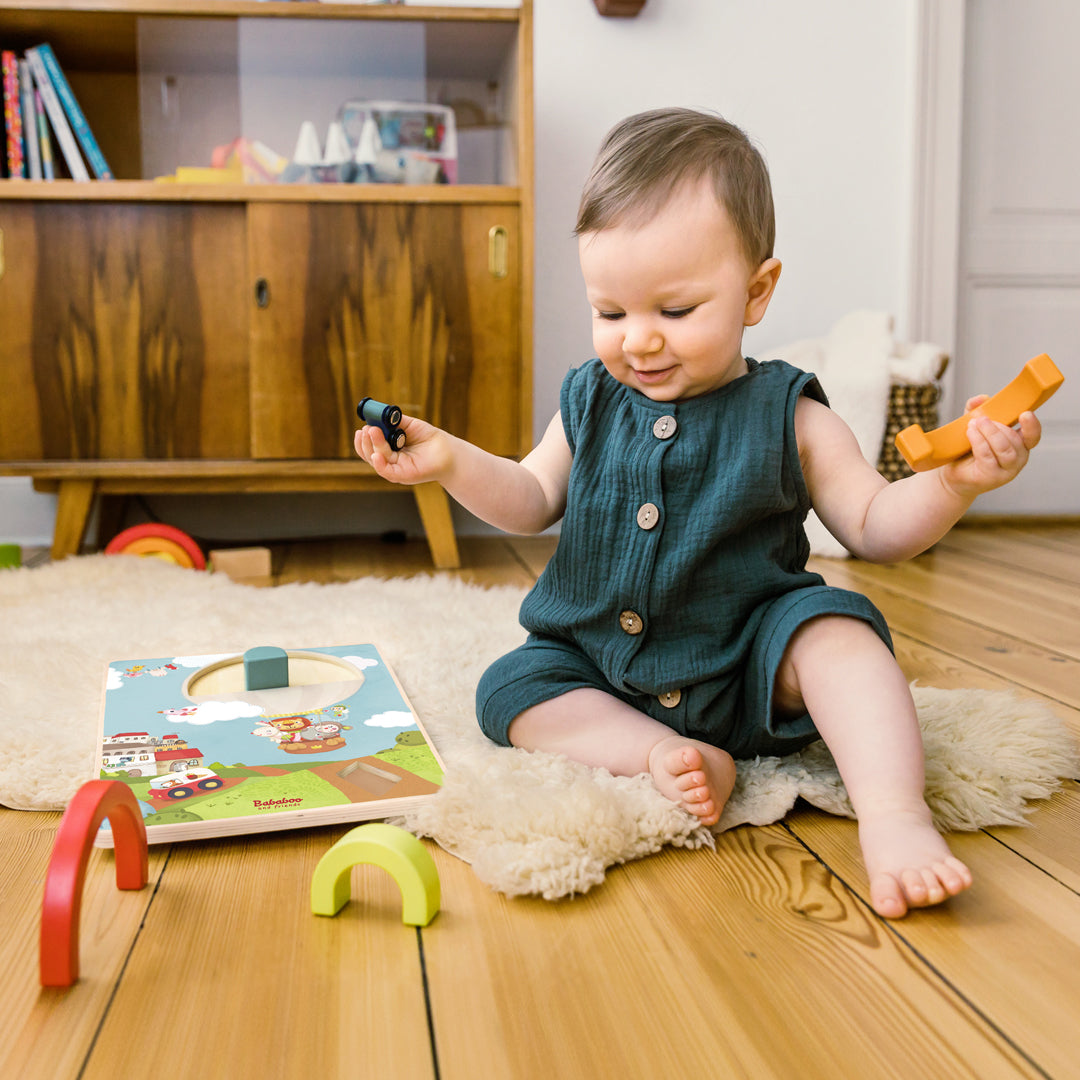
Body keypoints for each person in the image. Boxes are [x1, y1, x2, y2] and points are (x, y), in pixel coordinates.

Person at [355, 107, 1042, 919]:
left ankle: (895, 818)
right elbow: (531, 498)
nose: (638, 341)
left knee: (842, 638)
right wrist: (450, 461)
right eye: (611, 313)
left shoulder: (792, 413)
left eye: (674, 312)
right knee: (510, 687)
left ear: (756, 292)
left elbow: (877, 528)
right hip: (600, 663)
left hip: (748, 665)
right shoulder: (589, 399)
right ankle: (659, 753)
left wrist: (955, 484)